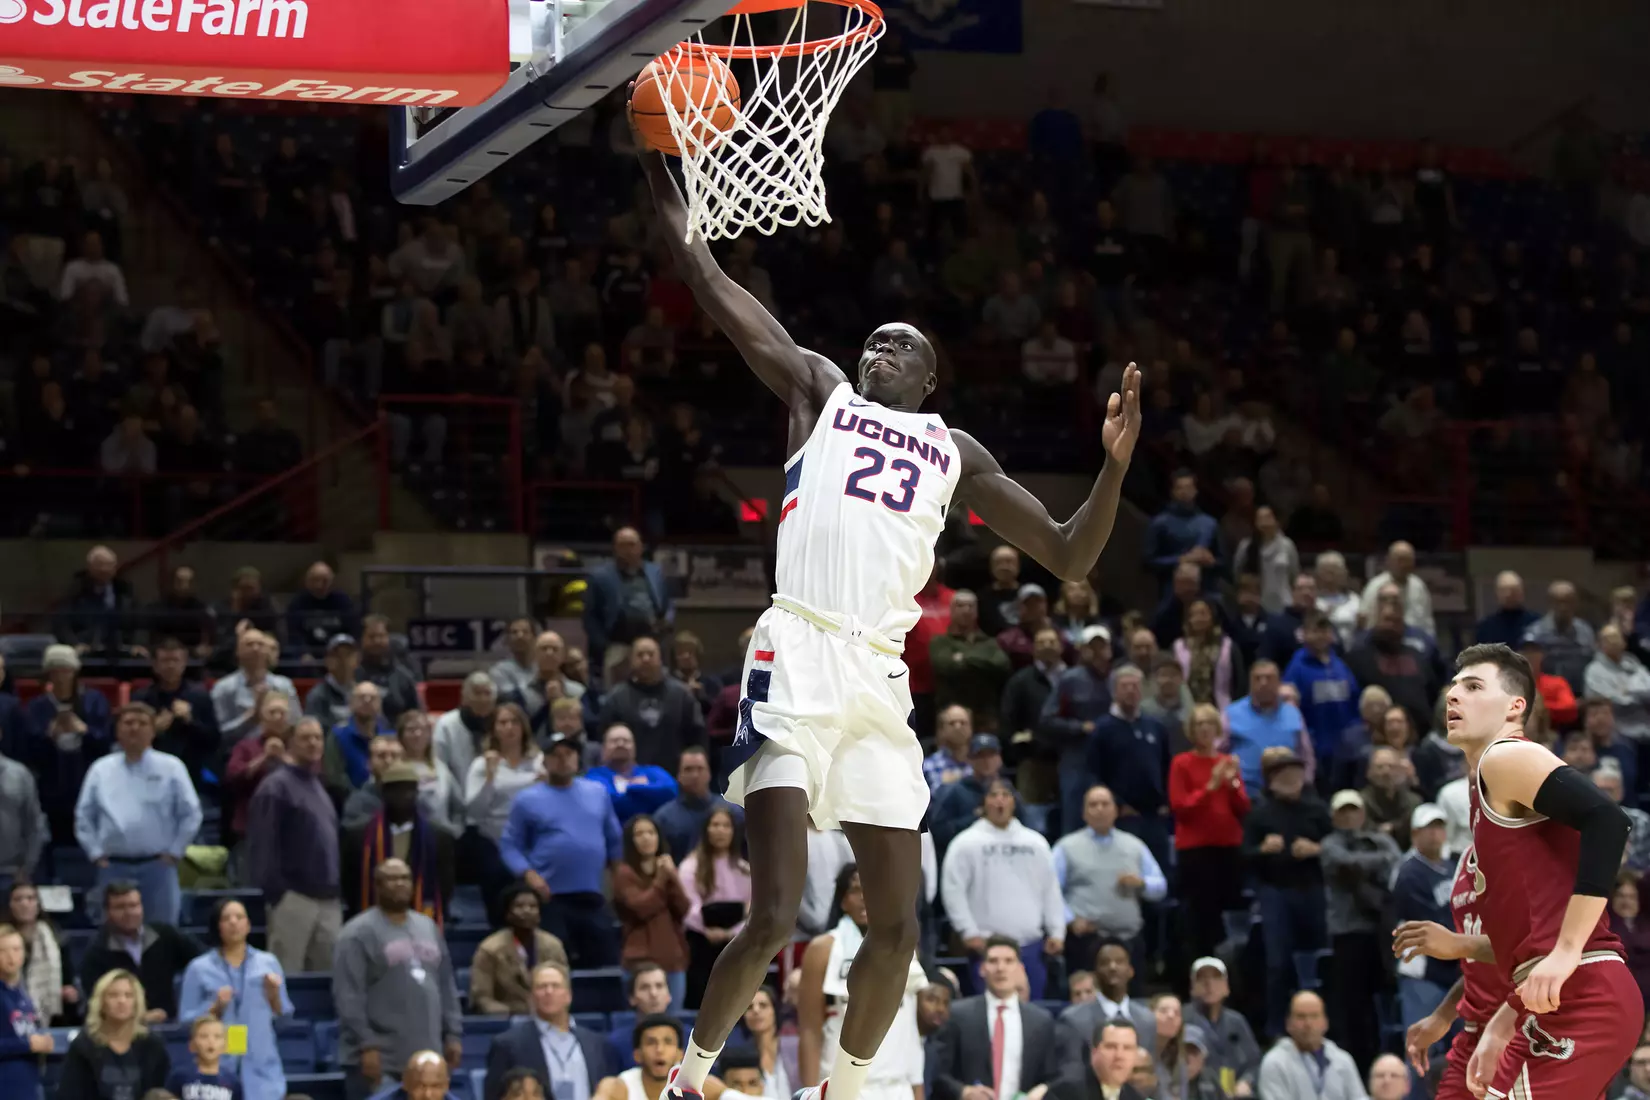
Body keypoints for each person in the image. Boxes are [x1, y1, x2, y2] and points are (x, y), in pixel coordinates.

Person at [640, 125, 1142, 1100]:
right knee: (778, 910)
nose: (879, 349)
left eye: (901, 346)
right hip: (797, 646)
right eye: (875, 338)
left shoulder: (956, 451)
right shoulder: (819, 389)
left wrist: (1115, 467)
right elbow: (707, 280)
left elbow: (1075, 550)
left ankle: (852, 1085)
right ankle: (685, 1079)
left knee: (901, 925)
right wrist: (656, 161)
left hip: (876, 678)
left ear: (930, 378)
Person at [1444, 643, 1642, 1099]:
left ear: (1515, 707)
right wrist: (1502, 1021)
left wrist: (1568, 949)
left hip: (1584, 989)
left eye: (1473, 686)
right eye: (1454, 686)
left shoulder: (1504, 757)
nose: (1454, 696)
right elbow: (1534, 929)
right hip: (1542, 999)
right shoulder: (1484, 785)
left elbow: (1610, 820)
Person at [333, 859, 463, 1100]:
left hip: (426, 1060)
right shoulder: (357, 933)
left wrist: (453, 1033)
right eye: (391, 879)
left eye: (405, 878)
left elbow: (446, 985)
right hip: (381, 1061)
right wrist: (367, 1044)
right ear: (377, 886)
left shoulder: (428, 926)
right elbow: (348, 996)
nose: (399, 884)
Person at [500, 731, 623, 966]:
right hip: (549, 898)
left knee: (605, 965)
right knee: (552, 965)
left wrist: (618, 880)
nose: (563, 759)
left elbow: (614, 840)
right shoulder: (527, 799)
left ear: (577, 758)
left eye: (569, 753)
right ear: (545, 761)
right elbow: (509, 845)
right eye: (555, 755)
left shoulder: (597, 793)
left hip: (593, 897)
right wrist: (529, 875)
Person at [77, 705, 199, 928]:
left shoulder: (171, 767)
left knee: (161, 936)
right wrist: (95, 853)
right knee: (113, 935)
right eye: (128, 723)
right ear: (117, 730)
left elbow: (191, 813)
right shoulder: (100, 769)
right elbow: (83, 816)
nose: (135, 728)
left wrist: (175, 852)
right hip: (113, 866)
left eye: (142, 723)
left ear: (153, 731)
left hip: (158, 867)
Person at [941, 778, 1064, 997]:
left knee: (1030, 1015)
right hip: (986, 946)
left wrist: (1057, 931)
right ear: (983, 803)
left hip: (1030, 945)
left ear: (1014, 802)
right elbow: (953, 889)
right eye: (993, 795)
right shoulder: (966, 843)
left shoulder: (1035, 843)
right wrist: (967, 930)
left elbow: (1050, 888)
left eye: (1005, 795)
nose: (1000, 801)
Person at [1242, 749, 1331, 1038]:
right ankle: (1277, 1028)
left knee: (1321, 958)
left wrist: (1318, 850)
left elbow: (1336, 847)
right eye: (1283, 774)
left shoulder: (1317, 810)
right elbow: (1243, 856)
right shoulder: (1259, 814)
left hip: (1313, 891)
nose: (1291, 778)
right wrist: (1262, 850)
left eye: (1295, 772)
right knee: (1278, 963)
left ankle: (1322, 1023)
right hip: (1275, 892)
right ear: (1271, 779)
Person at [246, 715, 341, 975]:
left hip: (328, 900)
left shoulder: (319, 785)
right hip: (293, 898)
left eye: (318, 737)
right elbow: (262, 845)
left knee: (325, 978)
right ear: (290, 743)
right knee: (285, 976)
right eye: (305, 738)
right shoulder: (276, 786)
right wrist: (278, 895)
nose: (313, 743)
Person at [177, 899, 293, 1100]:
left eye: (239, 917)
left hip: (262, 1073)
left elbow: (284, 1021)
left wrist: (274, 996)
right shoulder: (199, 968)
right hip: (215, 1074)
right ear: (217, 926)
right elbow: (185, 1023)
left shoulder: (268, 963)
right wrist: (214, 1008)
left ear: (248, 925)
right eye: (226, 918)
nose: (233, 922)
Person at [928, 935, 1066, 1100]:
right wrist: (963, 1092)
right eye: (993, 961)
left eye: (1008, 961)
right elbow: (937, 1070)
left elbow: (1051, 1076)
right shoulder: (958, 1015)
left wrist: (1042, 1090)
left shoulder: (1041, 1021)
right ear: (982, 969)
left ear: (1020, 969)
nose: (1001, 968)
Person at [1320, 789, 1399, 1073]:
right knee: (1352, 1004)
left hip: (1380, 932)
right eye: (1343, 811)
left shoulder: (1379, 840)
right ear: (1334, 816)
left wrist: (1362, 864)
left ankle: (1383, 1060)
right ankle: (1356, 1064)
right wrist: (1371, 863)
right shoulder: (1329, 843)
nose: (1350, 816)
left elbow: (1395, 860)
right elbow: (1341, 861)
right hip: (1347, 932)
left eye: (1354, 810)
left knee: (1382, 1000)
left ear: (1363, 813)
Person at [1054, 785, 1166, 976]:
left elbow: (1161, 886)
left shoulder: (1135, 846)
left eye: (1105, 804)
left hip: (1128, 939)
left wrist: (1142, 884)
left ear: (1116, 811)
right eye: (1093, 805)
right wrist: (1070, 921)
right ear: (1084, 813)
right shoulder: (1066, 847)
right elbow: (1050, 890)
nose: (1099, 809)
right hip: (1085, 941)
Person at [1168, 704, 1250, 961]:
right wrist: (1211, 786)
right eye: (1199, 724)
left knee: (1231, 913)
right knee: (1200, 918)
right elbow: (1181, 807)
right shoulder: (1182, 763)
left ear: (1217, 728)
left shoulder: (1226, 762)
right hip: (1196, 850)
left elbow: (1243, 807)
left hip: (1227, 846)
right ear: (1191, 730)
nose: (1204, 728)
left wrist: (1233, 783)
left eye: (1209, 723)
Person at [343, 763, 454, 926]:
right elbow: (350, 883)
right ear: (384, 793)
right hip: (371, 921)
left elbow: (445, 884)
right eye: (396, 790)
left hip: (419, 920)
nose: (404, 795)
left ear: (417, 792)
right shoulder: (359, 836)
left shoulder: (439, 837)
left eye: (409, 790)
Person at [484, 961, 612, 1100]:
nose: (549, 991)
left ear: (568, 996)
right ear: (531, 997)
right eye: (541, 987)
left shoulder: (596, 1043)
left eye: (555, 986)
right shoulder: (508, 1044)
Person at [463, 703, 544, 922]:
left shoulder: (539, 762)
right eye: (503, 722)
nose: (509, 727)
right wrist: (489, 779)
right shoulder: (482, 764)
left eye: (515, 722)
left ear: (524, 727)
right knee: (497, 877)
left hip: (531, 840)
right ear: (494, 729)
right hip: (494, 839)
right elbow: (474, 812)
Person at [80, 880, 203, 1023]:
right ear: (107, 912)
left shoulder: (165, 935)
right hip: (120, 1030)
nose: (129, 913)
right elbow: (96, 1006)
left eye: (134, 905)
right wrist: (139, 1018)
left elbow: (203, 963)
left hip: (168, 1026)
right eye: (120, 907)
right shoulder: (97, 952)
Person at [613, 816, 690, 1005]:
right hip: (640, 962)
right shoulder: (624, 874)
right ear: (631, 841)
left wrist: (672, 876)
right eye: (639, 834)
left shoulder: (666, 870)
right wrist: (662, 880)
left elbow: (684, 908)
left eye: (651, 832)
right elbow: (641, 908)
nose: (646, 838)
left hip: (672, 960)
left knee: (673, 1022)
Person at [60, 969, 173, 1099]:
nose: (122, 1001)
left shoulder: (153, 1045)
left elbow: (162, 1095)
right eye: (113, 995)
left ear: (137, 1002)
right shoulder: (83, 1046)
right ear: (101, 1003)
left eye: (129, 995)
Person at [681, 809, 751, 1008]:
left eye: (726, 826)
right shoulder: (690, 867)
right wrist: (707, 930)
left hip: (736, 941)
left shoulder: (744, 869)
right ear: (706, 830)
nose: (720, 831)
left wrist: (731, 932)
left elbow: (752, 908)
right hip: (701, 941)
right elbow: (687, 907)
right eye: (715, 825)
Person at [468, 885, 570, 1017]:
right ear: (508, 913)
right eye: (519, 906)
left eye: (533, 906)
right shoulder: (490, 948)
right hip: (508, 1020)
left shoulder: (553, 945)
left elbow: (564, 989)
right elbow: (482, 997)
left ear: (539, 914)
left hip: (547, 1016)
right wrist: (509, 1016)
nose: (527, 911)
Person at [592, 1014, 747, 1100]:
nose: (659, 1050)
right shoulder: (618, 1086)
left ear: (680, 1053)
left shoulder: (701, 1083)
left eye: (668, 1042)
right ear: (637, 1055)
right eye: (651, 1042)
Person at [132, 638, 220, 782]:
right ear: (155, 665)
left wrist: (190, 720)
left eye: (175, 660)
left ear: (184, 663)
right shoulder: (142, 697)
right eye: (165, 660)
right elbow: (129, 740)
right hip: (149, 770)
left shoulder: (199, 696)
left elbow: (214, 740)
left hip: (192, 770)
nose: (171, 665)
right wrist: (153, 729)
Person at [1256, 991, 1363, 1100]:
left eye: (1314, 1016)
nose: (1308, 1024)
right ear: (1288, 1024)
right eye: (1301, 1017)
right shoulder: (1275, 1063)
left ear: (1325, 1023)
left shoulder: (1343, 1060)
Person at [930, 590, 1012, 723]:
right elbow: (944, 666)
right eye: (960, 606)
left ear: (977, 611)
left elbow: (1002, 664)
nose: (966, 610)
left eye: (971, 606)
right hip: (951, 713)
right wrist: (984, 663)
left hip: (986, 713)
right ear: (951, 610)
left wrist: (963, 658)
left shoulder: (989, 642)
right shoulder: (940, 642)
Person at [1062, 939, 1156, 1052]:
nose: (1112, 967)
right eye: (1105, 962)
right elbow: (1072, 1068)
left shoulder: (1147, 1020)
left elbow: (1149, 1067)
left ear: (1130, 971)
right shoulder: (1074, 1020)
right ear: (1095, 973)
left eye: (1119, 961)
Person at [209, 629, 300, 746]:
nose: (255, 648)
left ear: (267, 651)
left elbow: (297, 724)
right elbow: (218, 734)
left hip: (280, 752)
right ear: (238, 651)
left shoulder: (284, 685)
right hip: (235, 756)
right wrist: (251, 717)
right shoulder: (223, 688)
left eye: (260, 644)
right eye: (249, 644)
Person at [653, 747, 743, 861]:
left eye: (700, 769)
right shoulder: (663, 818)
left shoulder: (733, 812)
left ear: (709, 774)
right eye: (688, 769)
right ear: (678, 775)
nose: (695, 775)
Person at [6, 882, 78, 1026]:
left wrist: (70, 994)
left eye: (30, 898)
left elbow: (68, 982)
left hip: (52, 1018)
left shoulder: (56, 938)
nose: (25, 904)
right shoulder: (3, 938)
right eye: (18, 899)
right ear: (9, 905)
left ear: (38, 904)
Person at [1186, 959, 1260, 1097]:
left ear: (1226, 988)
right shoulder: (1183, 1020)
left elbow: (1254, 1062)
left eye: (1216, 977)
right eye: (1201, 978)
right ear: (1192, 988)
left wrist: (1246, 1081)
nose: (1209, 984)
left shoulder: (1236, 1021)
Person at [0, 922, 54, 1099]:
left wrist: (41, 1042)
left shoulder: (22, 994)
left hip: (29, 1084)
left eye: (16, 949)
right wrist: (27, 1044)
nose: (11, 956)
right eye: (3, 950)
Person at [589, 723, 681, 822]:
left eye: (626, 741)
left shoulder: (652, 771)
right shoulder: (594, 776)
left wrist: (628, 788)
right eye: (614, 741)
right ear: (603, 749)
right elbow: (612, 801)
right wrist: (647, 794)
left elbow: (671, 790)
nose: (621, 744)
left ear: (634, 748)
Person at [397, 710, 466, 838]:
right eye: (411, 729)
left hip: (443, 837)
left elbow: (458, 806)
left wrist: (456, 831)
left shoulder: (440, 767)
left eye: (423, 729)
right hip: (408, 837)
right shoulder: (396, 768)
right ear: (401, 735)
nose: (418, 734)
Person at [1046, 1018, 1150, 1100]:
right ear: (1094, 1052)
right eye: (1111, 1047)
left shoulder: (1136, 1097)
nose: (1119, 1056)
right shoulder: (1064, 1092)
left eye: (1127, 1048)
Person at [433, 672, 500, 785]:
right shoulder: (446, 724)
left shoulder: (502, 723)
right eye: (477, 693)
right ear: (464, 697)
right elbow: (440, 766)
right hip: (455, 794)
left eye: (487, 693)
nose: (483, 699)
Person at [733, 988, 798, 1100]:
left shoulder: (795, 1047)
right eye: (749, 1007)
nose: (756, 1011)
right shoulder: (739, 1056)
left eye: (763, 1005)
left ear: (774, 1010)